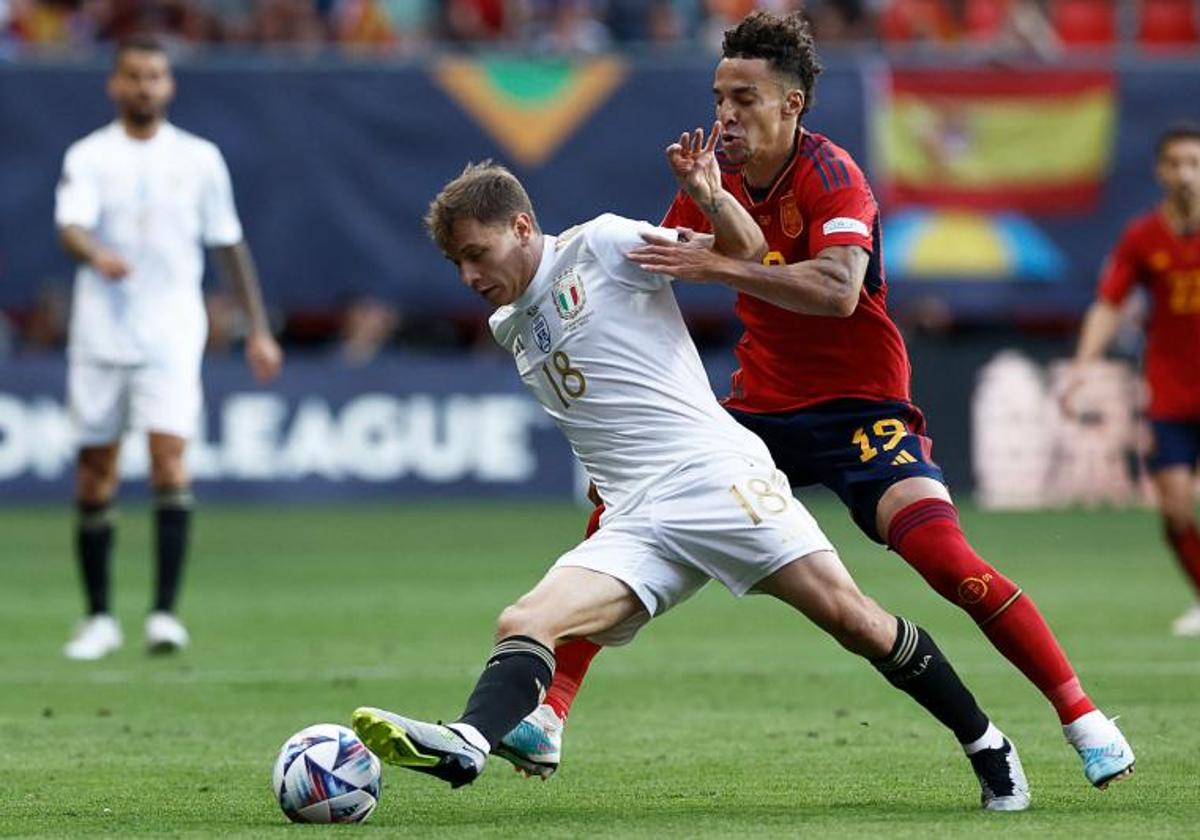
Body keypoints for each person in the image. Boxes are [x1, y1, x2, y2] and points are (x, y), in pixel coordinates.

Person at [500, 9, 1134, 792]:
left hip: (862, 409)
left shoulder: (832, 175)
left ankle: (1083, 718)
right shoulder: (711, 180)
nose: (724, 115)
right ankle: (552, 712)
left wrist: (725, 267)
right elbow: (655, 269)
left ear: (791, 105)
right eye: (718, 96)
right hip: (760, 411)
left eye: (744, 99)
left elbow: (836, 291)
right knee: (624, 500)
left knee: (943, 559)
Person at [353, 156, 1033, 810]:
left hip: (717, 480)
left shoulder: (603, 244)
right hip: (637, 519)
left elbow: (744, 248)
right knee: (525, 621)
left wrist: (709, 197)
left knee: (853, 620)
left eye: (477, 253)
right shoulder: (510, 325)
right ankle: (469, 743)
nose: (470, 275)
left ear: (522, 228)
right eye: (457, 264)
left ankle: (986, 741)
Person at [55, 35, 283, 660]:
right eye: (134, 76)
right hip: (101, 330)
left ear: (169, 85)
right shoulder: (90, 155)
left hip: (171, 330)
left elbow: (228, 244)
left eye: (155, 76)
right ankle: (99, 616)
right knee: (96, 470)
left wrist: (257, 328)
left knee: (169, 461)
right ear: (115, 84)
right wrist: (96, 253)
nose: (145, 86)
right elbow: (70, 224)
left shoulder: (200, 158)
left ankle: (163, 613)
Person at [1066, 123, 1200, 637]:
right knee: (1175, 506)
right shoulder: (1143, 237)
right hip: (1170, 394)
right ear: (1161, 171)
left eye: (1195, 163)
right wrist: (1083, 366)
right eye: (1177, 164)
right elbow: (1109, 304)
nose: (1186, 174)